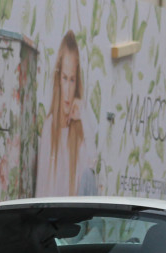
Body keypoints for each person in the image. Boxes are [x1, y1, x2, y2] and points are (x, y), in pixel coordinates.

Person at [36, 30, 96, 196]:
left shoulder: (80, 129)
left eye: (72, 79)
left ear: (77, 82)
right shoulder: (50, 128)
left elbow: (92, 169)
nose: (68, 90)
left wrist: (83, 116)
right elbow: (41, 191)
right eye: (64, 78)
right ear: (58, 79)